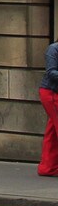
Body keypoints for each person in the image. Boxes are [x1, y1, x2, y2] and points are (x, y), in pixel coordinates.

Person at [42, 35, 58, 177]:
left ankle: (48, 167)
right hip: (51, 92)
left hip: (54, 92)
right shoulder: (53, 49)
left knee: (52, 131)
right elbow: (51, 72)